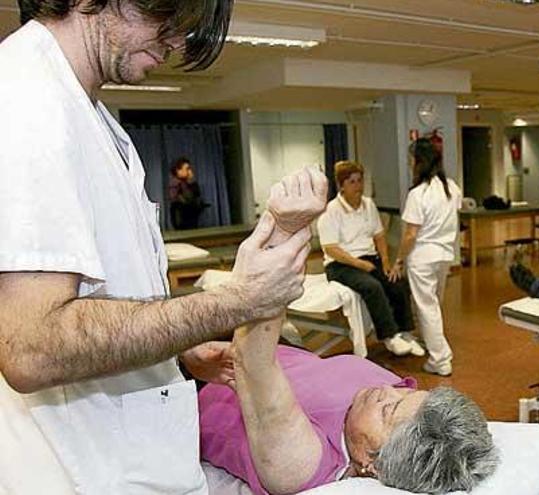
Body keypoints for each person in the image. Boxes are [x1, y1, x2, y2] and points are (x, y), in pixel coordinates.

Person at [0, 2, 328, 492]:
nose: (175, 43)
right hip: (80, 472)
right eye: (167, 22)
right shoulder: (27, 99)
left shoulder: (86, 114)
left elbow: (98, 299)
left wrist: (176, 347)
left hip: (130, 455)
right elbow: (31, 347)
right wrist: (238, 300)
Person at [198, 312, 499, 495]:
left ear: (372, 463)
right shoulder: (398, 411)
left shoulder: (305, 464)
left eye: (388, 410)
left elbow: (252, 359)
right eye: (407, 394)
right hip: (286, 353)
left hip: (209, 373)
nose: (388, 389)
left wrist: (283, 241)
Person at [317, 161, 425, 357]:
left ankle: (405, 332)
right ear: (341, 185)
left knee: (397, 281)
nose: (358, 186)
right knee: (372, 286)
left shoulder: (368, 204)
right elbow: (331, 249)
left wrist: (385, 262)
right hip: (340, 265)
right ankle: (389, 336)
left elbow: (379, 236)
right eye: (352, 182)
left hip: (369, 259)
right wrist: (358, 264)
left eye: (360, 181)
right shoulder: (331, 211)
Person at [391, 138, 463, 376]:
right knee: (433, 305)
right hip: (445, 256)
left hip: (422, 257)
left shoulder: (418, 193)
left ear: (419, 162)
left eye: (412, 159)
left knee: (427, 307)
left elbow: (411, 235)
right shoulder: (451, 188)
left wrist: (399, 259)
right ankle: (436, 346)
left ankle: (440, 359)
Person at [168, 156, 208, 229]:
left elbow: (196, 196)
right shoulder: (176, 184)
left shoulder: (186, 183)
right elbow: (187, 199)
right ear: (178, 170)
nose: (189, 171)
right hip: (182, 220)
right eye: (187, 169)